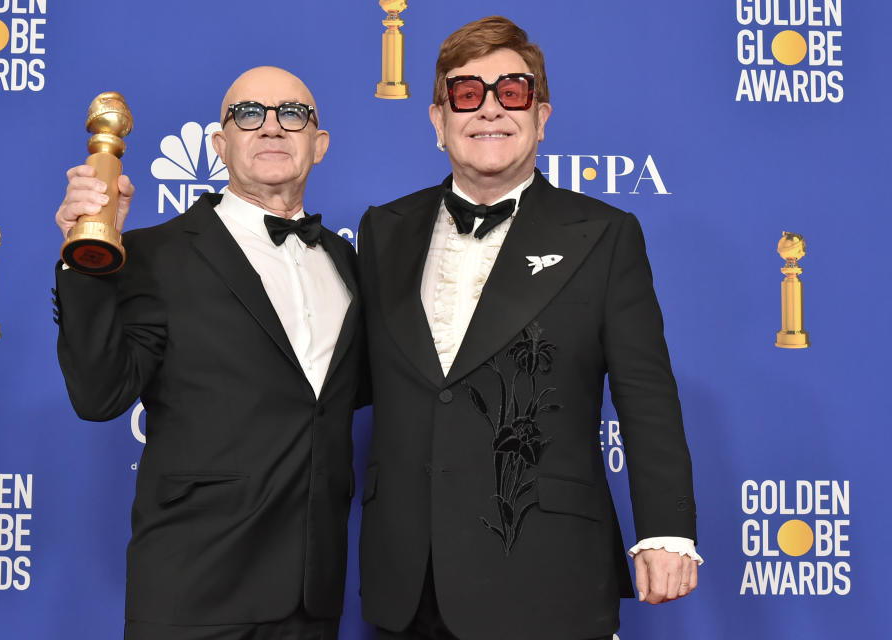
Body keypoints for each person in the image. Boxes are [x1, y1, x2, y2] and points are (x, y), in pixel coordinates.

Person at [357, 16, 701, 640]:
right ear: (438, 120)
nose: (489, 109)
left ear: (541, 115)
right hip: (409, 580)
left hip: (549, 573)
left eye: (511, 91)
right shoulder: (384, 230)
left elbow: (646, 395)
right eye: (466, 93)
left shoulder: (603, 234)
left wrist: (667, 529)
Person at [53, 67, 364, 640]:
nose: (271, 127)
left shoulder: (349, 266)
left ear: (318, 145)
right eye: (249, 114)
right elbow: (100, 395)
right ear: (220, 143)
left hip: (313, 600)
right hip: (194, 593)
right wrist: (86, 258)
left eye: (292, 114)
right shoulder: (155, 254)